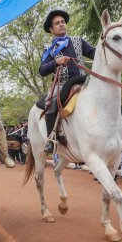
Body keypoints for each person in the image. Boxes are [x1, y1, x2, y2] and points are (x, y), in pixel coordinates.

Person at [38, 9, 95, 153]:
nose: (61, 24)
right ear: (51, 30)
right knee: (50, 104)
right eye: (57, 23)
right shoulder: (49, 49)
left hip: (85, 81)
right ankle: (51, 138)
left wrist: (104, 45)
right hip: (63, 83)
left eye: (63, 22)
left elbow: (94, 53)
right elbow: (42, 70)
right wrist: (56, 62)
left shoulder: (77, 40)